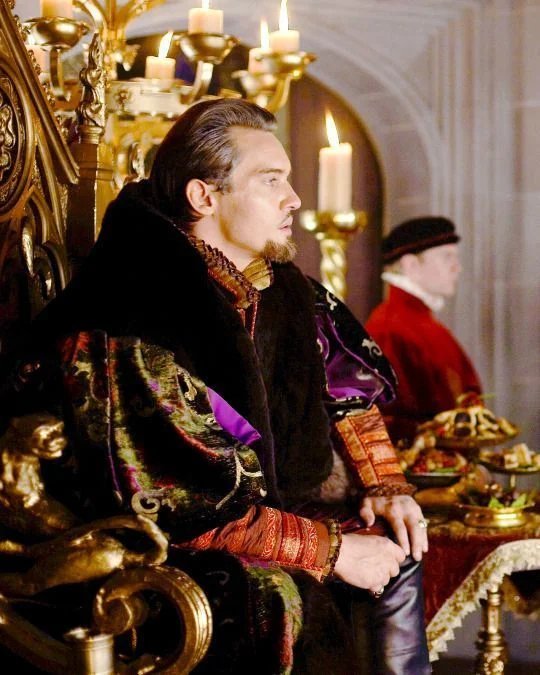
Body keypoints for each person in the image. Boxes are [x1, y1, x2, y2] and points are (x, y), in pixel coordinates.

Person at [2, 99, 430, 674]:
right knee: (273, 594)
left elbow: (345, 387)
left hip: (258, 513)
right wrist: (330, 551)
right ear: (204, 196)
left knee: (400, 542)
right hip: (147, 541)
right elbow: (182, 502)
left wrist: (385, 485)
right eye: (271, 180)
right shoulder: (135, 311)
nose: (294, 199)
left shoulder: (282, 288)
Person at [365, 216, 482, 446]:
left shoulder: (419, 322)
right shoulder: (389, 328)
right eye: (447, 257)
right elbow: (387, 423)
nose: (457, 268)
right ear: (411, 265)